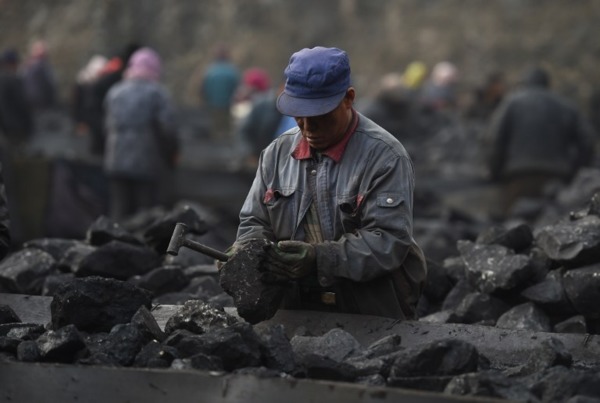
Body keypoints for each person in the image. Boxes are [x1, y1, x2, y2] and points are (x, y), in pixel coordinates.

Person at [232, 46, 427, 320]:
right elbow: (254, 222)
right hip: (295, 307)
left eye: (320, 116)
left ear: (348, 99)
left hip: (368, 310)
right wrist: (248, 251)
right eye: (300, 115)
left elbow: (389, 240)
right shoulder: (276, 154)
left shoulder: (385, 157)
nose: (308, 128)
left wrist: (319, 258)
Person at [486, 67, 597, 216]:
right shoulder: (566, 106)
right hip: (556, 178)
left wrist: (495, 172)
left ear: (525, 83)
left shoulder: (511, 103)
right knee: (553, 226)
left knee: (513, 230)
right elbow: (587, 141)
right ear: (547, 84)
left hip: (517, 178)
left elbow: (494, 140)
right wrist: (575, 171)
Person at [103, 47, 179, 221]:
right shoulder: (156, 93)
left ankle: (112, 246)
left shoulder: (115, 92)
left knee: (118, 212)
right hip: (146, 161)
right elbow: (168, 128)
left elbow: (106, 127)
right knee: (145, 215)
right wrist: (171, 153)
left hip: (115, 159)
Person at [199, 44, 240, 144]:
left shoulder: (210, 70)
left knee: (216, 130)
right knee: (228, 130)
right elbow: (237, 88)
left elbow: (204, 88)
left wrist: (207, 100)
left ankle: (215, 148)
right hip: (228, 105)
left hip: (213, 105)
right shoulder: (232, 70)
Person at [71, 55, 107, 157]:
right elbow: (77, 104)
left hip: (95, 119)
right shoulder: (83, 82)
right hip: (86, 119)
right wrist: (79, 121)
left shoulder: (98, 83)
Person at [0, 48, 33, 151]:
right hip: (16, 126)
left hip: (4, 126)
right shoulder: (13, 79)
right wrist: (30, 125)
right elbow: (22, 104)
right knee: (18, 155)